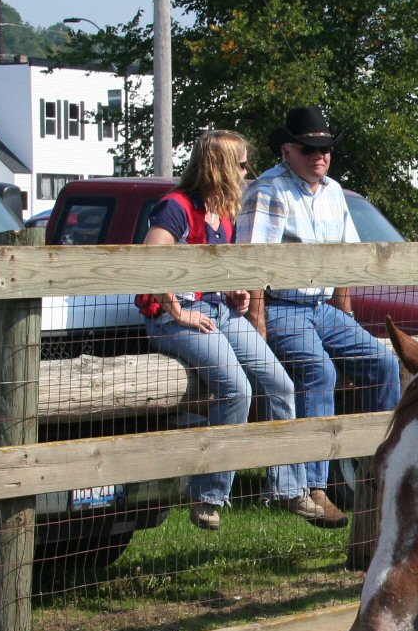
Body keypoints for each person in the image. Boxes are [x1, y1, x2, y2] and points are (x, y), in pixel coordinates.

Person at [138, 129, 330, 532]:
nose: (248, 171)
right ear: (221, 166)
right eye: (242, 164)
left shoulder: (223, 212)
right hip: (173, 317)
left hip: (216, 309)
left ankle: (289, 488)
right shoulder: (175, 207)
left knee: (280, 384)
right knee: (237, 389)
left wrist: (232, 292)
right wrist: (177, 310)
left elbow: (210, 273)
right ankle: (209, 495)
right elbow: (151, 261)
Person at [237, 106, 400, 523]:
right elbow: (252, 262)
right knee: (318, 372)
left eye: (325, 148)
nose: (319, 157)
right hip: (282, 306)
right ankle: (313, 486)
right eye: (309, 149)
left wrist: (346, 314)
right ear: (288, 150)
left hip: (322, 308)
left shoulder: (334, 192)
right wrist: (259, 322)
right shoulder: (269, 190)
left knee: (383, 361)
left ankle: (388, 462)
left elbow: (344, 259)